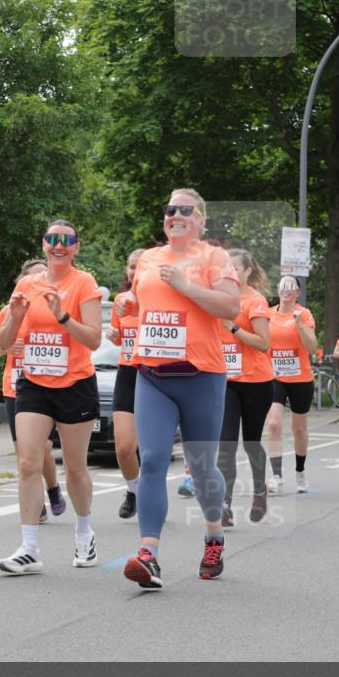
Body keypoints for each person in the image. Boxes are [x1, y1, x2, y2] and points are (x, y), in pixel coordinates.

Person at [119, 189, 240, 590]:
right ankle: (149, 554)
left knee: (202, 466)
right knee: (152, 459)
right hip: (153, 375)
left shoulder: (214, 257)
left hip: (201, 376)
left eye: (186, 209)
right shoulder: (149, 259)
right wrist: (127, 303)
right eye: (170, 209)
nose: (175, 214)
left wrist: (187, 286)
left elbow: (230, 307)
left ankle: (214, 537)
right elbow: (144, 300)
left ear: (201, 220)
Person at [0, 219, 102, 574]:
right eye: (52, 239)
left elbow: (94, 339)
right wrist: (14, 317)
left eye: (66, 240)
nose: (59, 245)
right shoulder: (27, 285)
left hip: (75, 384)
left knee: (74, 467)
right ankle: (29, 548)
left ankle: (84, 533)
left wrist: (63, 316)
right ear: (43, 244)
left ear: (76, 247)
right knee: (28, 463)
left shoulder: (83, 283)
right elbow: (5, 342)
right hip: (34, 383)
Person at [0, 260, 65, 523]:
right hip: (15, 388)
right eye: (33, 278)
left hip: (47, 387)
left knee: (42, 448)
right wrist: (7, 348)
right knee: (25, 455)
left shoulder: (57, 309)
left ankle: (52, 488)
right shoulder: (9, 311)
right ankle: (37, 504)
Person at [217, 249, 274, 526]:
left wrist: (233, 328)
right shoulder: (218, 299)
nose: (230, 274)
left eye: (235, 269)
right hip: (226, 381)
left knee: (252, 442)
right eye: (225, 269)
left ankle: (260, 491)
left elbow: (264, 344)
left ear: (247, 271)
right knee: (226, 443)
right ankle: (225, 505)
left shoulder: (255, 301)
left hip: (256, 382)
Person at [266, 275, 317, 494]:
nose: (286, 290)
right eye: (282, 285)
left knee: (299, 429)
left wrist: (299, 324)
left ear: (297, 292)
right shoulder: (268, 314)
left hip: (300, 379)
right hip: (275, 377)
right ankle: (276, 476)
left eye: (291, 286)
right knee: (274, 424)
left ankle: (300, 472)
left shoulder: (304, 314)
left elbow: (312, 347)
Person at [106, 249, 144, 518]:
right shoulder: (120, 300)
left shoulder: (161, 300)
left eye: (140, 266)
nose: (135, 271)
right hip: (128, 373)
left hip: (154, 375)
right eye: (131, 266)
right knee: (123, 447)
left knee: (150, 449)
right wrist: (114, 335)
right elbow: (121, 337)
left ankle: (151, 495)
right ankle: (134, 490)